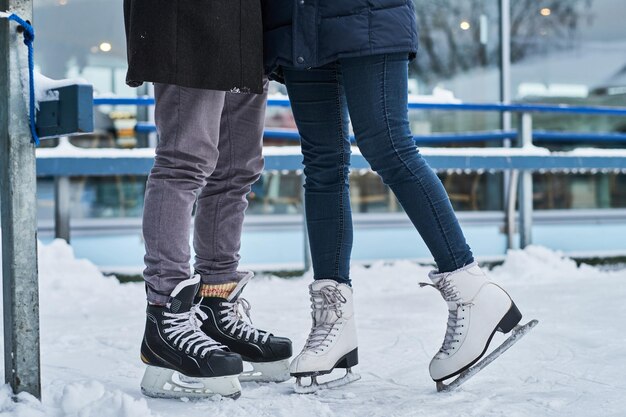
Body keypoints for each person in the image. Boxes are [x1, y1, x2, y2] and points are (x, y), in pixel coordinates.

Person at [262, 0, 524, 390]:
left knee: (389, 145)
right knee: (322, 165)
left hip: (366, 13)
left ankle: (472, 291)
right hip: (297, 21)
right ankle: (335, 322)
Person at [124, 0, 292, 399]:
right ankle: (167, 314)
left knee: (237, 171)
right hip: (188, 18)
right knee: (184, 161)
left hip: (247, 25)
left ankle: (215, 307)